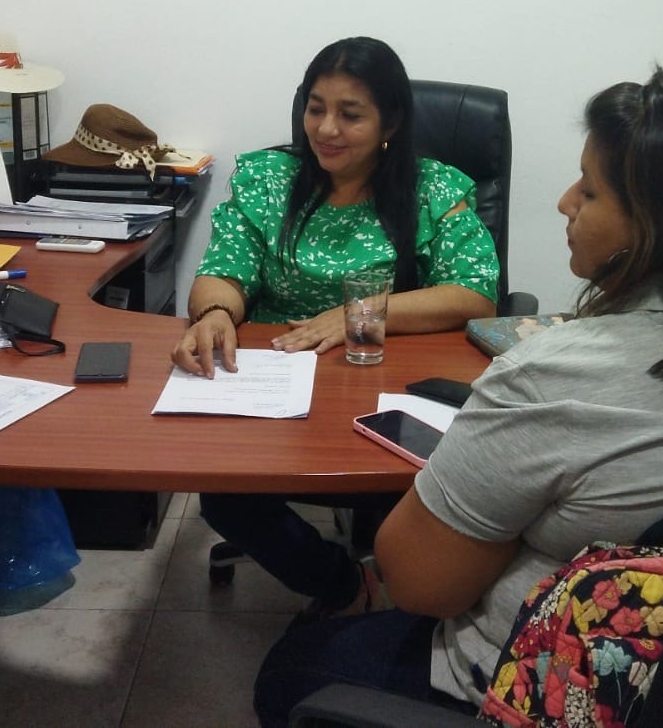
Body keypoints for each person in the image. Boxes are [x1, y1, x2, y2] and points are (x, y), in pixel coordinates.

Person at [250, 65, 663, 725]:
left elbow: (421, 584)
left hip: (561, 680)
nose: (565, 202)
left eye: (591, 190)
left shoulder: (553, 374)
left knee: (291, 672)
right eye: (316, 108)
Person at [174, 37, 500, 620]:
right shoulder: (268, 179)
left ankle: (398, 594)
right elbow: (222, 270)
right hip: (276, 378)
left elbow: (474, 292)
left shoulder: (434, 188)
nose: (326, 129)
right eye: (315, 108)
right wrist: (217, 312)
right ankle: (343, 584)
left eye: (350, 114)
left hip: (383, 378)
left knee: (424, 484)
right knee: (223, 495)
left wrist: (357, 313)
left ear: (390, 123)